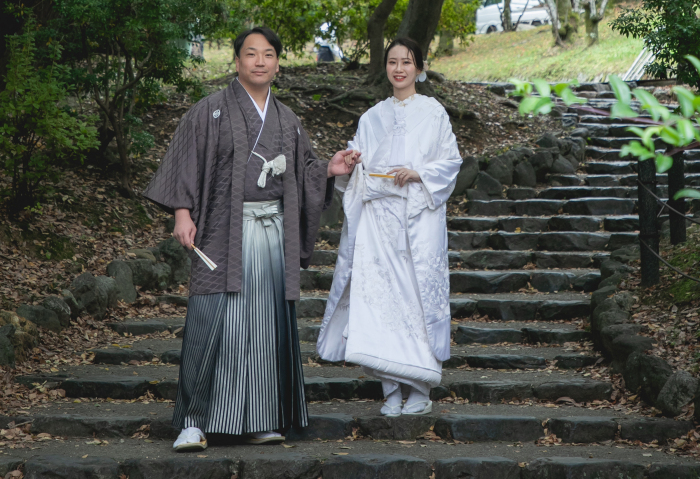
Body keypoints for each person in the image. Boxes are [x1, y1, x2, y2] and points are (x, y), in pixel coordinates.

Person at [142, 26, 360, 451]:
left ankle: (262, 417)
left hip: (272, 233)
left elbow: (304, 172)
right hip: (222, 232)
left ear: (278, 63)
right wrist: (182, 212)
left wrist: (330, 169)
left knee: (265, 325)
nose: (260, 61)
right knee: (211, 321)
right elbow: (187, 163)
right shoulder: (209, 111)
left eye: (268, 54)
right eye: (251, 53)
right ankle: (194, 421)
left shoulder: (287, 119)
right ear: (237, 60)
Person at [316, 36, 461, 416]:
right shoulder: (372, 117)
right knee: (378, 303)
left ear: (420, 68)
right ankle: (390, 390)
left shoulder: (434, 113)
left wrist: (419, 173)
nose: (399, 69)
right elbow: (354, 169)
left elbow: (450, 163)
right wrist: (352, 163)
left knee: (414, 300)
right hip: (376, 223)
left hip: (416, 219)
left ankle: (420, 388)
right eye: (393, 62)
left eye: (407, 62)